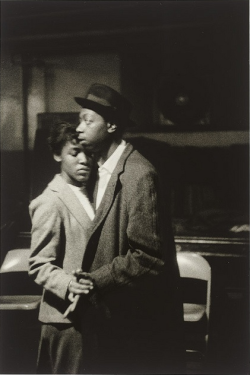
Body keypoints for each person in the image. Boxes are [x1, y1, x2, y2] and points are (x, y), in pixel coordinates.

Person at [73, 83, 185, 373]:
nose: (79, 128)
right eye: (79, 119)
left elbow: (148, 257)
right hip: (109, 318)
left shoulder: (139, 174)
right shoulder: (100, 170)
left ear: (111, 125)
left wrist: (95, 280)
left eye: (88, 120)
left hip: (132, 325)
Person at [28, 122, 95, 374]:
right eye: (74, 152)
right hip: (65, 321)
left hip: (89, 318)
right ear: (57, 155)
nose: (84, 160)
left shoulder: (91, 194)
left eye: (88, 153)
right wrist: (68, 284)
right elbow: (38, 265)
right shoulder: (49, 201)